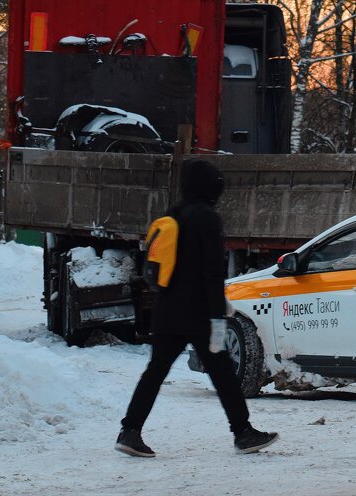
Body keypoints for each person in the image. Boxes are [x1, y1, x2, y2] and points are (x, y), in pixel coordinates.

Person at [116, 158, 278, 457]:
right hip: (199, 315)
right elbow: (212, 272)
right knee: (223, 372)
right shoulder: (207, 218)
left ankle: (130, 431)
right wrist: (219, 315)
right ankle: (243, 433)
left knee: (155, 372)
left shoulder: (173, 215)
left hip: (166, 311)